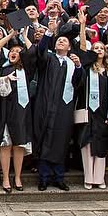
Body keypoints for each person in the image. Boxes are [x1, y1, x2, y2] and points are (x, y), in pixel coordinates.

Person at [32, 20, 83, 191]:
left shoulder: (71, 63)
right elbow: (39, 51)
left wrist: (78, 67)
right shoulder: (49, 58)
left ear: (69, 47)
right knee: (45, 138)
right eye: (59, 40)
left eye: (64, 41)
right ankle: (44, 177)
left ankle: (59, 177)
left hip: (63, 108)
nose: (61, 42)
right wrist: (49, 33)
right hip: (46, 105)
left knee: (61, 141)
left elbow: (78, 83)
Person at [0, 31, 36, 193]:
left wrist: (24, 36)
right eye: (11, 51)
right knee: (6, 145)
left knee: (19, 145)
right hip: (5, 111)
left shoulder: (28, 70)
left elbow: (32, 51)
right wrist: (10, 35)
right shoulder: (3, 68)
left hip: (22, 112)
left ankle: (17, 176)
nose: (14, 53)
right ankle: (5, 178)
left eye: (18, 52)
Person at [77, 10, 108, 189]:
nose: (99, 50)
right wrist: (83, 25)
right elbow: (84, 48)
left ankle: (99, 178)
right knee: (87, 144)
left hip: (103, 111)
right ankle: (88, 177)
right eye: (96, 48)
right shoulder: (87, 68)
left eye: (101, 48)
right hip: (87, 110)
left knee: (100, 144)